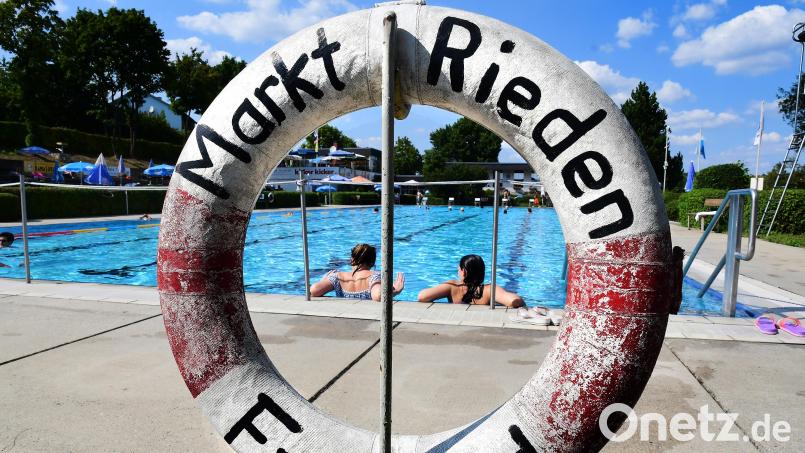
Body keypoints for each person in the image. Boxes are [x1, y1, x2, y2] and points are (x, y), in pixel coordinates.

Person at [417, 255, 524, 307]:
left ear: (463, 272)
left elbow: (422, 296)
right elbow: (514, 301)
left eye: (458, 269)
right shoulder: (488, 290)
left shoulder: (452, 287)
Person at [310, 244, 405, 301]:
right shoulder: (375, 276)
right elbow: (378, 296)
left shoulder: (337, 277)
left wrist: (323, 281)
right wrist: (395, 291)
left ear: (351, 260)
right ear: (372, 263)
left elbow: (313, 291)